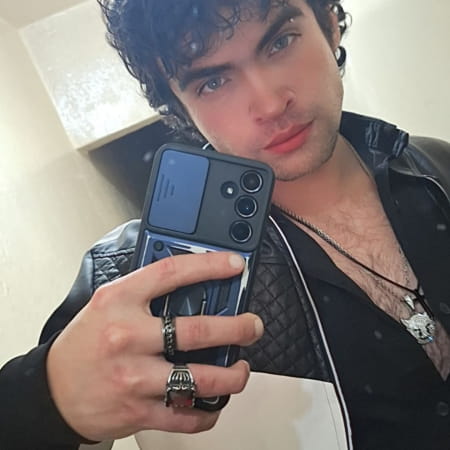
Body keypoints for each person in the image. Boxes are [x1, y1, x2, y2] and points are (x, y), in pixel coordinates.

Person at [1, 0, 449, 449]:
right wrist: (48, 400)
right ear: (180, 108)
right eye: (213, 82)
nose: (270, 103)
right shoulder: (127, 275)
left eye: (280, 42)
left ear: (329, 27)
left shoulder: (435, 165)